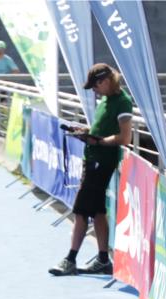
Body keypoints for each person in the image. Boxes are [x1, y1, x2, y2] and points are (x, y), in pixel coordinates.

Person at [49, 63, 133, 277]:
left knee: (80, 211)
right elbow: (104, 129)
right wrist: (87, 132)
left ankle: (70, 259)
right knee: (97, 212)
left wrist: (99, 141)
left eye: (95, 86)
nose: (94, 91)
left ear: (105, 81)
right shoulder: (106, 99)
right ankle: (104, 259)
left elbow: (125, 137)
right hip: (94, 159)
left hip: (100, 162)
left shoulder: (122, 102)